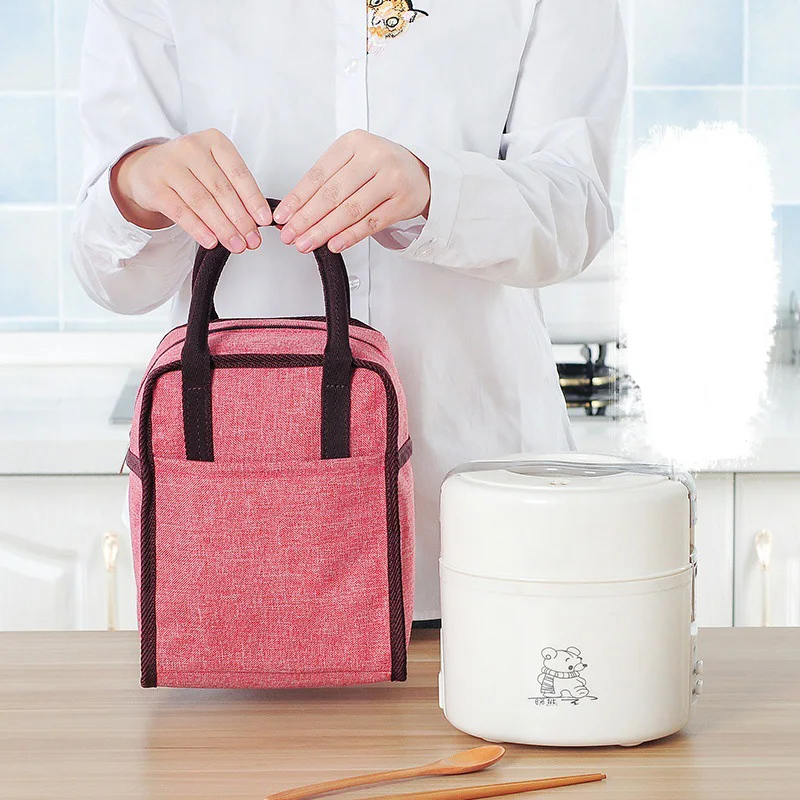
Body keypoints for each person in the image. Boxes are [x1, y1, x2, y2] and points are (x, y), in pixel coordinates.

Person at [72, 0, 628, 621]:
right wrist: (138, 186)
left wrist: (435, 189)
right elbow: (112, 280)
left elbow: (578, 211)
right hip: (241, 533)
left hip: (482, 508)